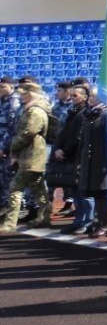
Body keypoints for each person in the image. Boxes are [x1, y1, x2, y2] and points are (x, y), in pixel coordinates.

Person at [0, 84, 51, 230]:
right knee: (38, 189)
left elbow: (28, 133)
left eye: (24, 94)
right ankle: (44, 217)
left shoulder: (35, 112)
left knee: (15, 188)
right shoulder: (32, 110)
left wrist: (13, 146)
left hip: (32, 155)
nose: (21, 97)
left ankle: (10, 223)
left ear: (32, 94)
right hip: (32, 155)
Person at [54, 85, 91, 234]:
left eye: (75, 95)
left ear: (84, 97)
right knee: (74, 190)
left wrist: (65, 150)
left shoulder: (85, 113)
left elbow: (79, 137)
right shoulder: (71, 112)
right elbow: (62, 132)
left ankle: (87, 222)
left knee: (84, 192)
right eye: (72, 95)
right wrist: (58, 148)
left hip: (78, 156)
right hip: (69, 157)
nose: (72, 98)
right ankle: (78, 220)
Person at [75, 91, 107, 237]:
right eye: (90, 96)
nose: (91, 99)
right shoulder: (89, 115)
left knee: (102, 193)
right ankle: (100, 221)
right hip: (89, 161)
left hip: (101, 161)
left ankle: (106, 223)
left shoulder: (105, 115)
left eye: (94, 97)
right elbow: (83, 140)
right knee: (95, 193)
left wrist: (106, 161)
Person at [50, 81, 75, 217]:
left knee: (68, 175)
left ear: (67, 91)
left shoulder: (73, 106)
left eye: (60, 91)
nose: (57, 93)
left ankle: (69, 203)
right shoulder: (56, 106)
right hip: (56, 143)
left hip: (68, 145)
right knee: (56, 174)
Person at [0, 77, 20, 213]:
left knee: (8, 178)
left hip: (7, 147)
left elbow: (11, 129)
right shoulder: (2, 101)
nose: (0, 89)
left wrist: (3, 147)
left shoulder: (14, 103)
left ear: (11, 87)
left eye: (3, 87)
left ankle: (9, 208)